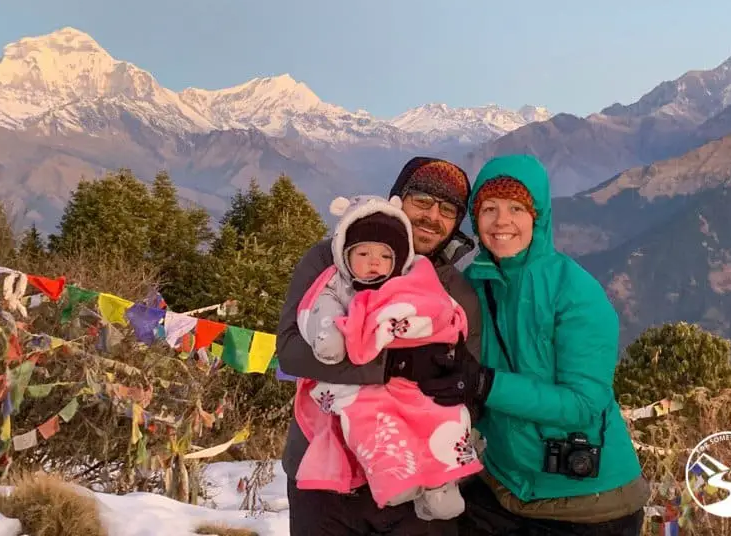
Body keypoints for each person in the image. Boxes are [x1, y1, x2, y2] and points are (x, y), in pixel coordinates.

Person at [417, 154, 650, 536]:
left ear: (538, 216)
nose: (501, 221)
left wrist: (486, 384)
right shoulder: (472, 286)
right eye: (489, 208)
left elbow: (583, 404)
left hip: (591, 504)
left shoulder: (574, 291)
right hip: (504, 489)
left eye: (516, 208)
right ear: (475, 218)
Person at [276, 157, 482, 536]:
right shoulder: (329, 259)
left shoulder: (457, 291)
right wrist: (393, 366)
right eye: (422, 201)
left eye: (448, 209)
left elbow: (466, 381)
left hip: (416, 482)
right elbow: (290, 350)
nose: (432, 216)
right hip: (324, 478)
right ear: (395, 200)